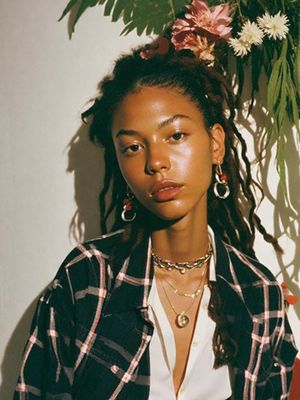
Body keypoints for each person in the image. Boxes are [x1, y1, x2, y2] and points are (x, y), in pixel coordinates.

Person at [14, 33, 297, 399]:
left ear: (215, 144)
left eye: (175, 135)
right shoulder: (87, 279)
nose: (155, 162)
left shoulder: (259, 294)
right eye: (132, 147)